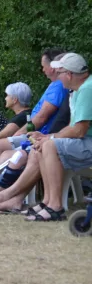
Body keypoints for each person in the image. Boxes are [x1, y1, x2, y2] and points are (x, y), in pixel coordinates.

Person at [22, 53, 92, 221]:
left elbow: (79, 131)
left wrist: (51, 139)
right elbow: (73, 128)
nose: (57, 77)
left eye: (59, 72)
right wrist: (48, 136)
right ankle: (48, 202)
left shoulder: (87, 89)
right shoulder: (79, 90)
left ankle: (55, 207)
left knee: (49, 146)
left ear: (68, 74)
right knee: (42, 146)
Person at [0, 49, 69, 164]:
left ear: (53, 67)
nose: (42, 70)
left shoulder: (58, 86)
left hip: (39, 134)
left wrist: (18, 134)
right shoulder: (54, 85)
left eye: (43, 66)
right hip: (37, 134)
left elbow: (42, 117)